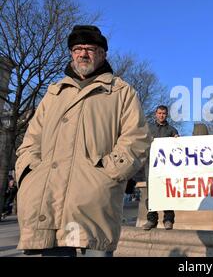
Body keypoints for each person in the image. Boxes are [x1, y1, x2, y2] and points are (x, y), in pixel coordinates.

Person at [15, 25, 150, 257]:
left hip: (95, 201)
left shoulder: (122, 92)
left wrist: (107, 173)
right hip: (48, 199)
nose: (83, 53)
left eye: (90, 48)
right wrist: (29, 171)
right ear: (71, 53)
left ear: (103, 54)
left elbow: (137, 139)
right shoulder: (54, 92)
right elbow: (31, 139)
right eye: (77, 48)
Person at [142, 105, 179, 231]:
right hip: (151, 166)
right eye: (159, 113)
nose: (161, 115)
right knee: (151, 193)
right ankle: (151, 220)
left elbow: (178, 147)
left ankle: (168, 220)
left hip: (167, 167)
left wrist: (177, 140)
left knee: (167, 191)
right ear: (155, 114)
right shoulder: (148, 129)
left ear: (166, 115)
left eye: (164, 113)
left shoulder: (172, 130)